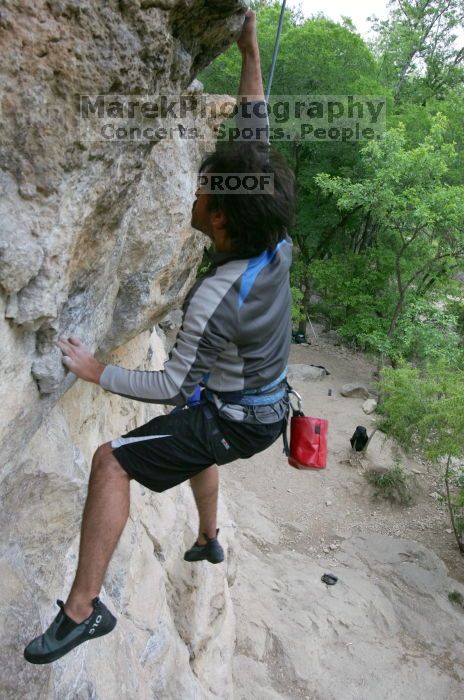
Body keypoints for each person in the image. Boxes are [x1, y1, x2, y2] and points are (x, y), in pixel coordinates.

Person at [24, 10, 295, 665]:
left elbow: (169, 381)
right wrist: (250, 48)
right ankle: (207, 535)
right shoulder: (276, 244)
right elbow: (253, 127)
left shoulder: (211, 295)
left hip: (234, 419)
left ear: (220, 219)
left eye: (202, 190)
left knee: (112, 460)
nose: (193, 193)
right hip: (264, 402)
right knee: (190, 417)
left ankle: (82, 611)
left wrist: (94, 372)